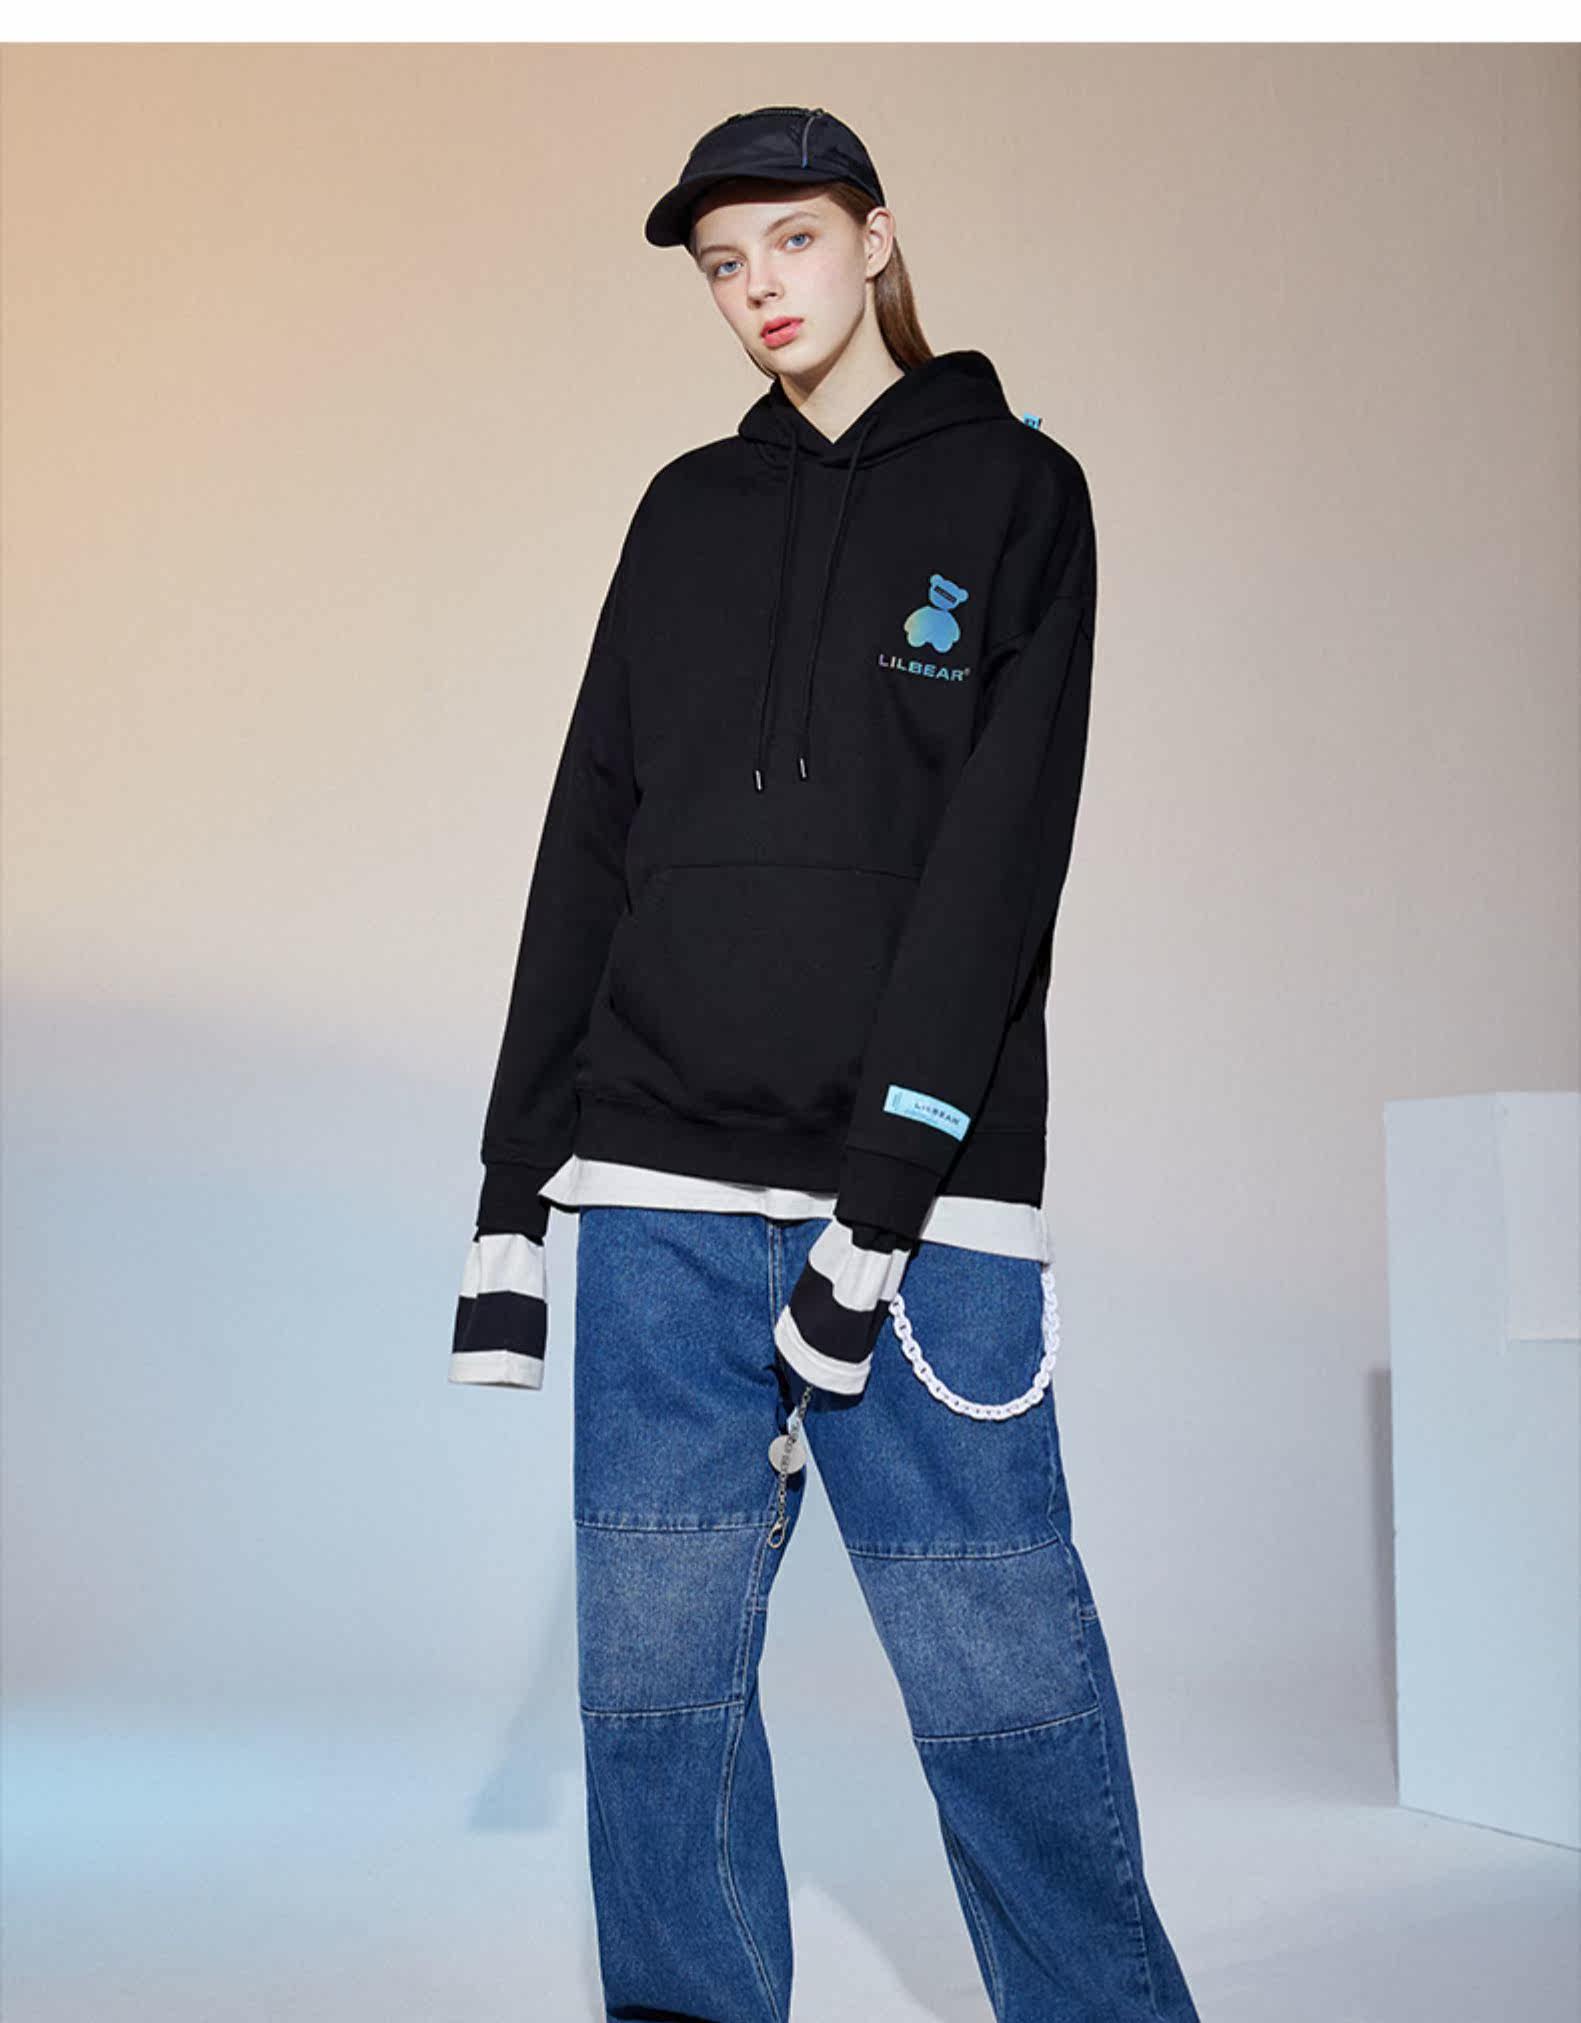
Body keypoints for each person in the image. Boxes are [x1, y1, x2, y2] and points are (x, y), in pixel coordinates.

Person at [450, 103, 1201, 2023]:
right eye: (723, 264)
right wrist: (513, 1188)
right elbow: (589, 833)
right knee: (659, 1699)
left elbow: (1000, 863)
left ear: (874, 238)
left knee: (999, 1683)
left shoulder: (1020, 492)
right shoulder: (684, 512)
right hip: (659, 1195)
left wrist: (880, 1205)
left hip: (925, 1209)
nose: (758, 289)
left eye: (789, 240)